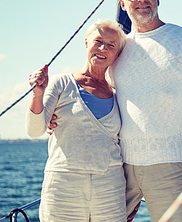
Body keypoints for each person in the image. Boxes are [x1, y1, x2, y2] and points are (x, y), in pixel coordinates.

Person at [109, 0, 182, 222]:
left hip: (171, 165)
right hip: (119, 167)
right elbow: (101, 95)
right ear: (123, 4)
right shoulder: (118, 47)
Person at [26, 19, 127, 222]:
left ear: (116, 55)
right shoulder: (61, 83)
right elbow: (35, 130)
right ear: (86, 43)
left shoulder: (119, 94)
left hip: (110, 187)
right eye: (98, 41)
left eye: (110, 45)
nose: (102, 48)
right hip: (64, 185)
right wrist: (37, 94)